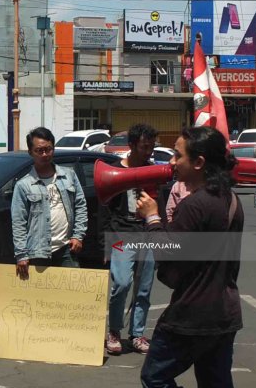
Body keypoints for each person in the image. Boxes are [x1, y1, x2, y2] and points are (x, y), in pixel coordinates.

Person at [137, 126, 243, 388]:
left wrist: (153, 218)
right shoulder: (230, 200)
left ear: (198, 162)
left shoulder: (196, 205)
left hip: (192, 313)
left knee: (155, 379)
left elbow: (168, 255)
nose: (172, 161)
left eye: (178, 155)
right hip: (224, 309)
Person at [100, 123, 158, 355]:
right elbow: (104, 210)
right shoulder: (114, 170)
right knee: (122, 284)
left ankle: (137, 334)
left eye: (152, 147)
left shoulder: (152, 170)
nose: (149, 151)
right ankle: (114, 331)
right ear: (132, 145)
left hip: (146, 234)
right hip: (121, 235)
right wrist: (106, 244)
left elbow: (158, 204)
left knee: (143, 289)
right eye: (145, 146)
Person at [11, 127, 87, 280]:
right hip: (37, 252)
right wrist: (21, 255)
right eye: (39, 150)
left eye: (48, 149)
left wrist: (78, 236)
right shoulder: (24, 185)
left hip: (67, 248)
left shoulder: (69, 176)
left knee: (71, 295)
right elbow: (18, 222)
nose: (45, 154)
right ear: (30, 152)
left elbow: (80, 206)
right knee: (41, 300)